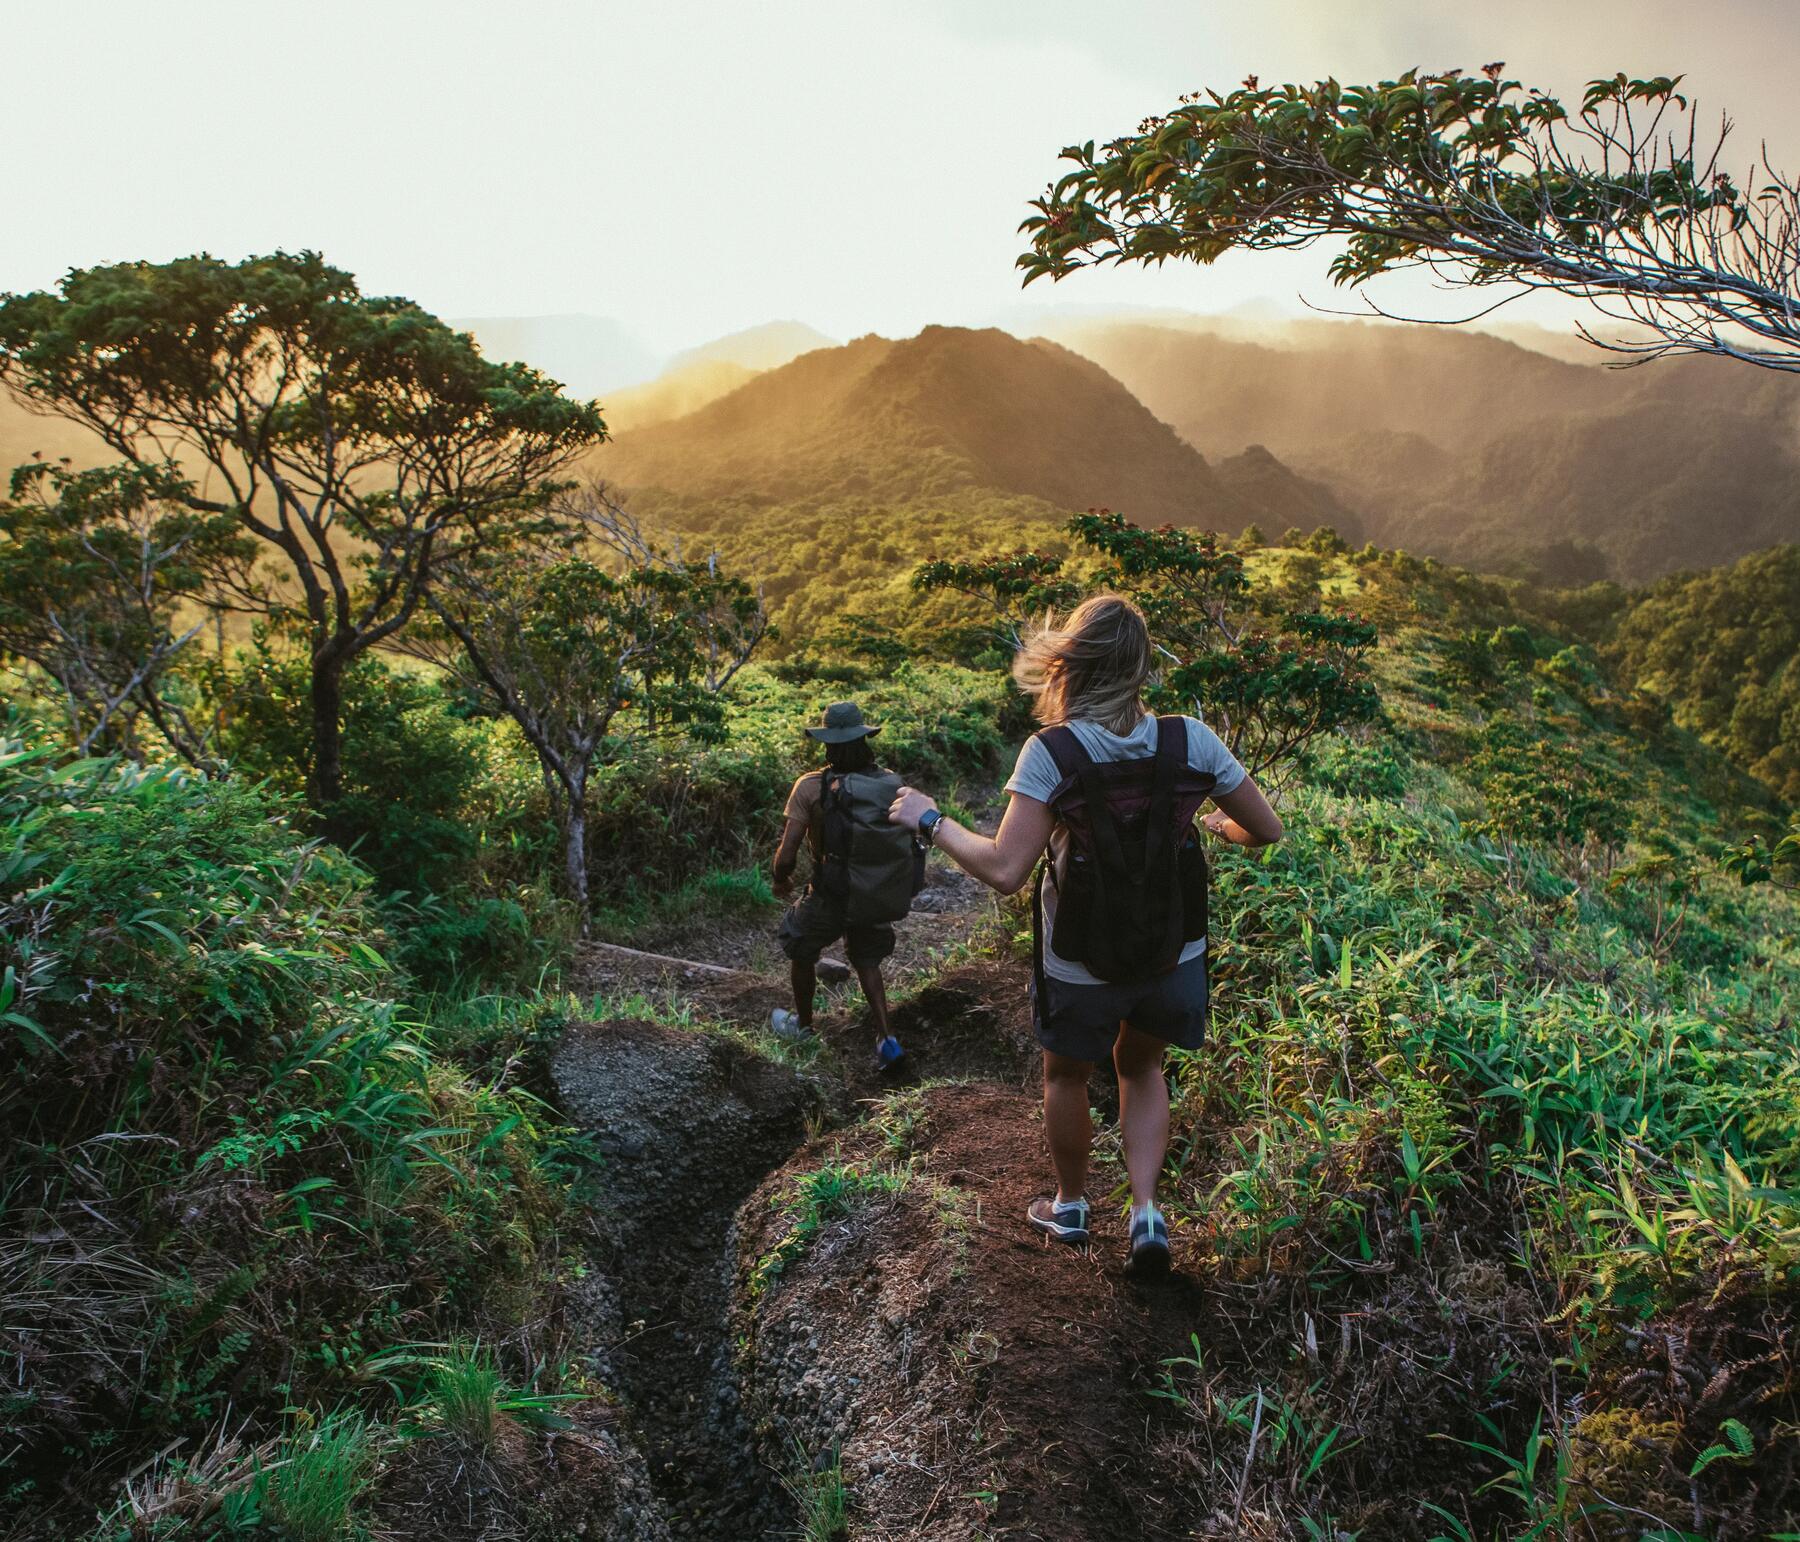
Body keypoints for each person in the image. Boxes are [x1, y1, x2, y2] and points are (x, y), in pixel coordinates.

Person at [889, 596, 1283, 1274]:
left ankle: (1071, 1205)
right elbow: (1266, 830)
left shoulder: (1053, 752)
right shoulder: (1193, 740)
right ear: (1139, 668)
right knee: (1142, 1066)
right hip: (1171, 950)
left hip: (1080, 957)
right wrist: (1219, 826)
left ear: (1072, 663)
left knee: (1067, 1074)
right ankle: (1148, 1214)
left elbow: (1005, 869)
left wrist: (932, 821)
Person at [770, 701, 909, 1071]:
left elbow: (786, 856)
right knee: (866, 960)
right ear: (864, 738)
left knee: (801, 948)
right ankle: (887, 1038)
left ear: (827, 743)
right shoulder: (891, 783)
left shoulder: (810, 787)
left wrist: (780, 879)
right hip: (872, 891)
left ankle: (803, 1026)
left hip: (829, 892)